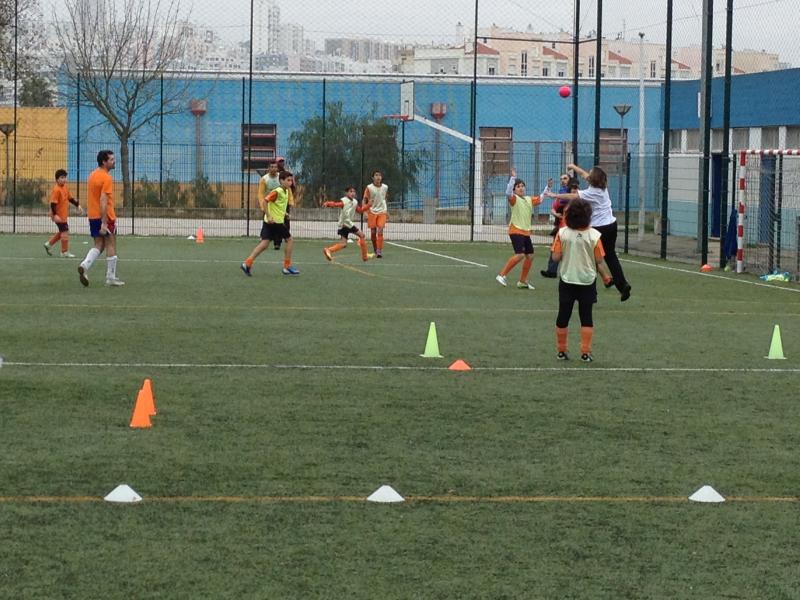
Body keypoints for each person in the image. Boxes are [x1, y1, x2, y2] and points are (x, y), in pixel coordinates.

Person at [546, 164, 631, 302]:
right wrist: (574, 167)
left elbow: (573, 196)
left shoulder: (590, 193)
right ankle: (623, 285)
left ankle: (592, 293)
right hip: (611, 225)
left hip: (599, 229)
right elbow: (584, 174)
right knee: (611, 257)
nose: (587, 174)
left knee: (591, 259)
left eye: (590, 174)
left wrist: (555, 195)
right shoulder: (602, 188)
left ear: (593, 179)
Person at [551, 197, 613, 362]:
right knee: (586, 316)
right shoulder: (594, 235)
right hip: (587, 280)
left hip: (567, 279)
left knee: (563, 315)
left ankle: (561, 351)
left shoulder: (562, 233)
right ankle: (585, 352)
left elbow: (555, 257)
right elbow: (599, 259)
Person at [77, 150, 123, 287]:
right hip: (105, 216)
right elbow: (103, 200)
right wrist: (104, 222)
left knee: (99, 244)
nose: (114, 161)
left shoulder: (92, 175)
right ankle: (110, 277)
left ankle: (84, 265)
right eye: (111, 159)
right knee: (111, 244)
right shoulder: (106, 178)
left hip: (93, 215)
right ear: (104, 162)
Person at [241, 170, 299, 276]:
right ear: (281, 181)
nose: (290, 182)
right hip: (275, 222)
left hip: (269, 222)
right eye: (288, 180)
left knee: (265, 243)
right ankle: (287, 267)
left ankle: (247, 263)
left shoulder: (286, 191)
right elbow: (265, 201)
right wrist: (269, 215)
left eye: (291, 180)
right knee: (290, 240)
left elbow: (277, 205)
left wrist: (285, 213)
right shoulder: (277, 191)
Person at [495, 167, 542, 289]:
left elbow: (540, 199)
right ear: (514, 190)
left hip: (525, 233)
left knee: (530, 256)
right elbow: (507, 193)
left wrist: (548, 188)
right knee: (520, 255)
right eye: (518, 186)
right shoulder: (514, 199)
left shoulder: (528, 199)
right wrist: (513, 178)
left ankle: (522, 281)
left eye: (522, 186)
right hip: (515, 230)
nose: (521, 188)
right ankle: (501, 275)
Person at [321, 186, 373, 262]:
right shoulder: (344, 201)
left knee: (343, 244)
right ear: (346, 193)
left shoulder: (355, 202)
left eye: (354, 191)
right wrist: (328, 203)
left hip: (344, 225)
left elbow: (360, 210)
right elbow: (336, 204)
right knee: (362, 235)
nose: (353, 193)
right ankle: (365, 257)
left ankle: (328, 250)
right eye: (350, 191)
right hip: (347, 223)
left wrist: (368, 205)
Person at [44, 168, 83, 258]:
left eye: (65, 177)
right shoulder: (56, 190)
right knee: (65, 231)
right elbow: (53, 204)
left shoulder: (65, 187)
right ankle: (64, 251)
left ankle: (49, 244)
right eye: (61, 177)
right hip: (58, 216)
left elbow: (70, 198)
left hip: (63, 215)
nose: (64, 179)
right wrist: (55, 215)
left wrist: (77, 205)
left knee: (63, 231)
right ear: (57, 179)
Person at [541, 174, 574, 278]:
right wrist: (555, 214)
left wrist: (555, 195)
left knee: (570, 249)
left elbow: (564, 200)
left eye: (565, 178)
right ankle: (551, 271)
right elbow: (553, 208)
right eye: (561, 179)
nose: (562, 180)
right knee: (555, 247)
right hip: (560, 226)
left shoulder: (573, 193)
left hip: (571, 226)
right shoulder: (561, 193)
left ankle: (570, 271)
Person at [362, 170, 388, 258]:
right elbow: (364, 200)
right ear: (373, 178)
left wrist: (387, 211)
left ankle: (379, 251)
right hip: (372, 211)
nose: (378, 177)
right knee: (373, 232)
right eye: (376, 175)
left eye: (379, 175)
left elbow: (384, 198)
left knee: (380, 230)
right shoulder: (369, 187)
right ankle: (375, 248)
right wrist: (364, 211)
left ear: (381, 177)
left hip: (382, 211)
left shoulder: (385, 187)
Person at [273, 157, 291, 250]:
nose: (281, 163)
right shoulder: (274, 175)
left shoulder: (287, 173)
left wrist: (290, 200)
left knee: (286, 221)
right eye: (280, 162)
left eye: (282, 162)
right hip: (276, 203)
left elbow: (292, 187)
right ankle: (277, 242)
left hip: (284, 202)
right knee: (277, 222)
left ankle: (287, 238)